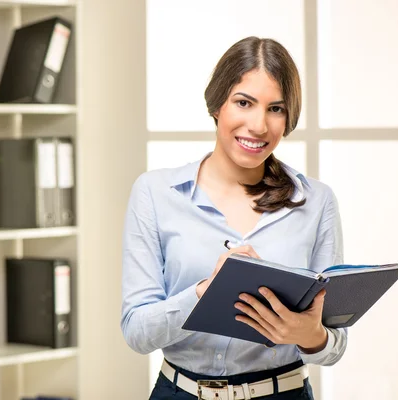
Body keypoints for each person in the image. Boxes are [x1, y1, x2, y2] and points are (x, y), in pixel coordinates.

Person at [120, 36, 347, 400]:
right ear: (217, 105)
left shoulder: (317, 202)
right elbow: (137, 333)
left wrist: (309, 334)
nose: (259, 125)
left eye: (276, 109)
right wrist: (204, 293)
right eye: (244, 102)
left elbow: (334, 345)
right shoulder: (155, 193)